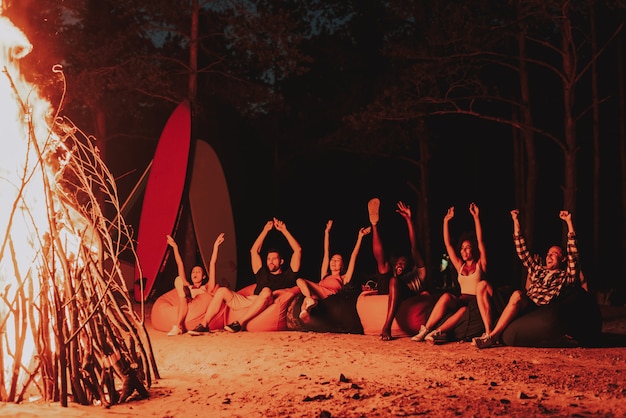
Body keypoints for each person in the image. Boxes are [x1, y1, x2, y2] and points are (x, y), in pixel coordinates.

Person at [472, 209, 582, 349]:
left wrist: (569, 223)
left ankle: (493, 337)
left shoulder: (566, 276)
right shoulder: (538, 270)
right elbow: (523, 252)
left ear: (563, 259)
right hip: (522, 303)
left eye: (554, 254)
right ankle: (488, 333)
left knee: (517, 295)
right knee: (482, 285)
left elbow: (574, 255)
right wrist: (516, 221)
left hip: (536, 308)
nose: (549, 256)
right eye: (548, 254)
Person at [191, 217, 302, 333]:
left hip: (269, 300)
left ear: (282, 261)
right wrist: (265, 231)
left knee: (266, 290)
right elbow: (254, 251)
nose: (270, 261)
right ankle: (204, 324)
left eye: (274, 259)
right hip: (251, 301)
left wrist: (284, 230)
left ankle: (240, 322)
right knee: (222, 291)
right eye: (268, 259)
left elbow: (298, 250)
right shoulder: (262, 273)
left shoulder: (288, 275)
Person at [411, 203, 487, 344]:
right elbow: (448, 244)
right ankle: (425, 330)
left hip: (475, 303)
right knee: (446, 296)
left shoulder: (480, 264)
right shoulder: (460, 266)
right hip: (462, 299)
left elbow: (481, 241)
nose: (464, 251)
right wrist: (446, 221)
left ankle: (437, 333)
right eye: (462, 248)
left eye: (467, 248)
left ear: (473, 249)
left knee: (462, 311)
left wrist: (476, 218)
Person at [367, 198, 428, 341]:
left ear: (410, 266)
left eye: (404, 263)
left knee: (394, 280)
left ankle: (387, 326)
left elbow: (414, 247)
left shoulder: (418, 274)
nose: (400, 265)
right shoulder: (392, 272)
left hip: (405, 293)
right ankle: (374, 224)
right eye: (398, 263)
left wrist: (409, 220)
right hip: (389, 288)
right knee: (383, 266)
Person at [297, 220, 371, 322]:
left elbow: (354, 255)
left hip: (328, 295)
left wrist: (360, 237)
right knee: (304, 301)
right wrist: (327, 232)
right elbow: (326, 252)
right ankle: (308, 309)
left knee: (300, 281)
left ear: (342, 265)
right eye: (332, 260)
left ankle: (309, 300)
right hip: (317, 294)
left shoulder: (344, 277)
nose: (333, 261)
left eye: (337, 260)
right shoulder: (325, 275)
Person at [166, 233, 224, 336]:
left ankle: (178, 325)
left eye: (198, 272)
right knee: (184, 294)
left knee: (185, 294)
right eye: (193, 272)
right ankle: (178, 326)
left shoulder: (207, 287)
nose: (195, 274)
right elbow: (180, 264)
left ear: (204, 276)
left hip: (198, 306)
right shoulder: (188, 285)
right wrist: (175, 247)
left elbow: (212, 264)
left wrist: (215, 246)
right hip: (187, 303)